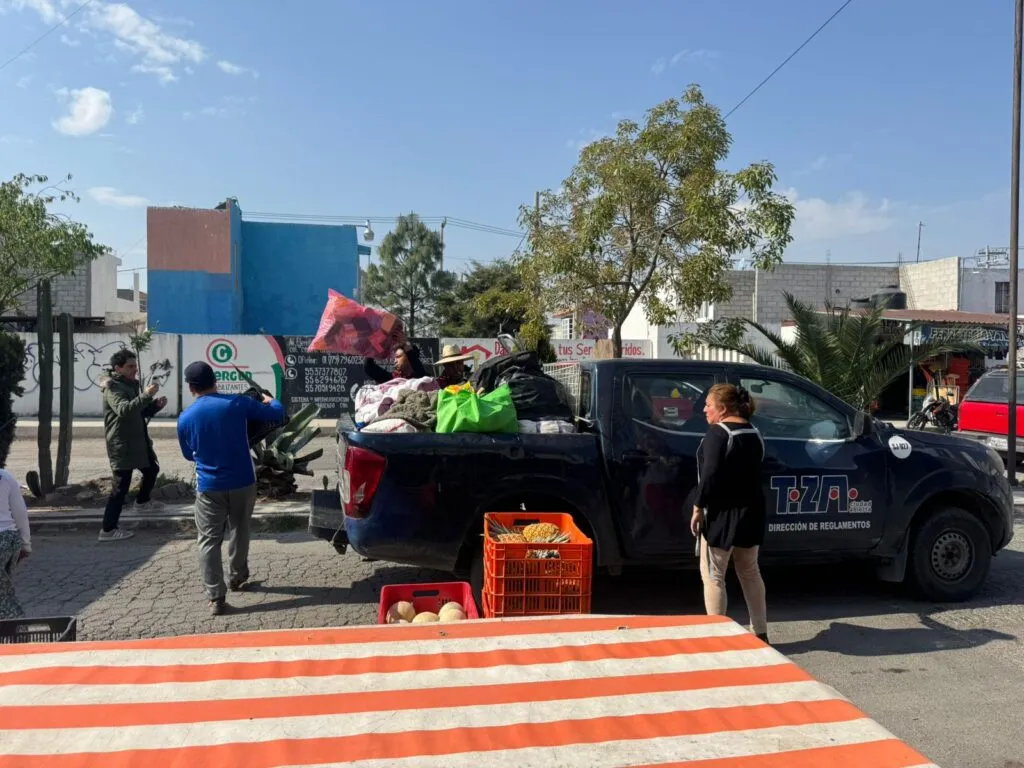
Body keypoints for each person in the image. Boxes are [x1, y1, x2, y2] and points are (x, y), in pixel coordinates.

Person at [177, 361, 286, 615]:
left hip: (209, 487)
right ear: (216, 381)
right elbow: (277, 413)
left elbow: (188, 455)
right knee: (240, 529)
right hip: (243, 482)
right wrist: (270, 400)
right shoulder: (238, 403)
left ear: (191, 388)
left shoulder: (185, 418)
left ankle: (216, 597)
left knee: (207, 541)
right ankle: (238, 576)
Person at [689, 383, 769, 643]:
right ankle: (760, 632)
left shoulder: (718, 434)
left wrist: (698, 507)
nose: (704, 410)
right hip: (752, 512)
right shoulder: (754, 432)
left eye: (708, 405)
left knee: (713, 576)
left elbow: (710, 475)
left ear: (722, 409)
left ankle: (717, 637)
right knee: (750, 571)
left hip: (722, 514)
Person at [100, 349, 167, 542]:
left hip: (137, 441)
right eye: (130, 366)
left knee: (152, 469)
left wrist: (154, 406)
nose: (134, 370)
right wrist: (146, 395)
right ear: (118, 368)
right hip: (122, 444)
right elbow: (124, 410)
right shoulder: (113, 388)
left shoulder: (129, 385)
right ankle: (108, 529)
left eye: (135, 366)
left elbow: (138, 411)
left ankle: (142, 501)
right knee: (120, 487)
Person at [0, 464, 30, 619]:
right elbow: (20, 512)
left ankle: (15, 628)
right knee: (4, 587)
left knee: (4, 596)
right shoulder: (5, 477)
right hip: (9, 540)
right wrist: (26, 543)